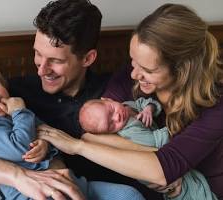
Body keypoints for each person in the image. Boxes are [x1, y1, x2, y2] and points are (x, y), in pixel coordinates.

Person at [37, 3, 223, 200]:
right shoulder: (129, 77)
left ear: (183, 70)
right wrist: (160, 166)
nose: (134, 73)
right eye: (133, 62)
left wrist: (76, 147)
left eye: (147, 70)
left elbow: (161, 171)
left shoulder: (215, 104)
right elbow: (94, 135)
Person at [9, 0, 162, 199]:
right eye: (38, 54)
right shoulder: (16, 93)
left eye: (56, 60)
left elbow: (162, 150)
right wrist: (15, 176)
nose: (41, 69)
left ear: (88, 58)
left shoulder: (117, 93)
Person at [0, 57, 145, 200]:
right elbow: (20, 148)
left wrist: (45, 144)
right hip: (36, 195)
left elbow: (49, 136)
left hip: (74, 183)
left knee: (129, 194)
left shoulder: (16, 114)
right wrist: (19, 111)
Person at [79, 97, 218, 199]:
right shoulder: (129, 132)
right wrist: (177, 126)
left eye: (111, 111)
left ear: (107, 99)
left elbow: (145, 102)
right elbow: (157, 142)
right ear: (109, 133)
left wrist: (148, 109)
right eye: (110, 125)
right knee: (195, 192)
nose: (117, 118)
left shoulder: (126, 105)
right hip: (161, 171)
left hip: (167, 168)